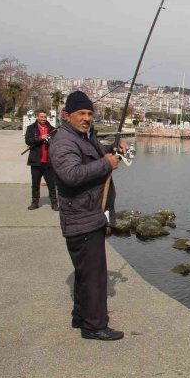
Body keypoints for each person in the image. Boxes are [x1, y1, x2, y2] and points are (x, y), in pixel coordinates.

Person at [49, 91, 127, 341]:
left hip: (90, 213)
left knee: (85, 272)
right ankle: (94, 326)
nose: (86, 118)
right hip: (81, 217)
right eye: (81, 113)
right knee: (94, 275)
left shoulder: (82, 136)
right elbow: (71, 174)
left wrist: (114, 149)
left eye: (90, 114)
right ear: (67, 115)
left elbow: (96, 151)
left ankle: (80, 316)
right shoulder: (63, 141)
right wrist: (107, 164)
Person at [24, 110, 58, 210]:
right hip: (36, 161)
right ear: (37, 117)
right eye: (41, 117)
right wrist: (40, 138)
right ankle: (35, 202)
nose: (43, 119)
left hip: (48, 161)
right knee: (35, 184)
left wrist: (50, 141)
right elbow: (28, 140)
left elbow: (57, 143)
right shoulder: (31, 128)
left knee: (51, 184)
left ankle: (54, 203)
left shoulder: (52, 129)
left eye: (44, 117)